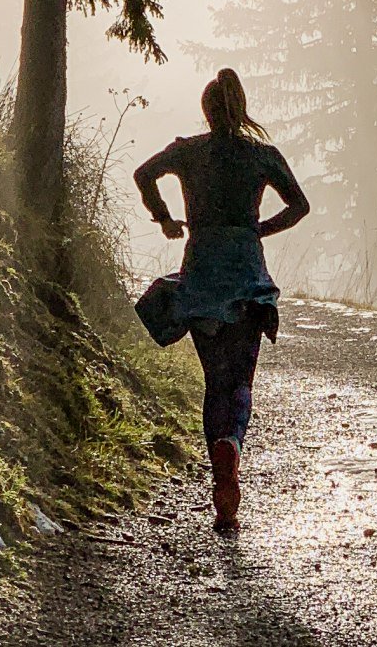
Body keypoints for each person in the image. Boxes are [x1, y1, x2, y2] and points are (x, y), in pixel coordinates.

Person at [133, 68, 310, 531]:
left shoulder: (188, 151)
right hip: (248, 275)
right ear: (240, 108)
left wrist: (166, 218)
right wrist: (259, 229)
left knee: (215, 381)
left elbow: (143, 173)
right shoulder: (262, 155)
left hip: (203, 274)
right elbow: (300, 205)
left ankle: (220, 469)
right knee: (241, 382)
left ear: (206, 111)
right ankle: (233, 442)